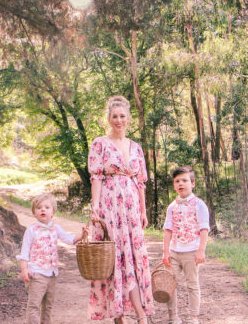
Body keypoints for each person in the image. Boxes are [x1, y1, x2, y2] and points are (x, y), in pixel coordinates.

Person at [88, 95, 154, 324]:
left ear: (128, 119)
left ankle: (136, 313)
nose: (119, 120)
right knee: (115, 259)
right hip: (110, 206)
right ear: (108, 118)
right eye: (114, 116)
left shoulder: (136, 147)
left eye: (122, 116)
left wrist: (144, 211)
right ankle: (126, 316)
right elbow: (96, 177)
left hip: (132, 209)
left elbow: (141, 182)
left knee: (134, 259)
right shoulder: (100, 143)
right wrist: (95, 207)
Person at [17, 193, 85, 324]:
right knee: (34, 305)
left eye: (47, 207)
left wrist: (81, 235)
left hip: (52, 273)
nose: (43, 209)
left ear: (53, 212)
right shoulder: (31, 230)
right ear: (34, 213)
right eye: (39, 207)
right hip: (36, 273)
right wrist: (24, 269)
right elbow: (24, 251)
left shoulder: (56, 228)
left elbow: (69, 239)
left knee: (48, 305)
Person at [162, 166, 210, 324]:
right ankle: (173, 316)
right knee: (170, 284)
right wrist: (165, 252)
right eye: (177, 181)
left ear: (193, 183)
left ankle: (193, 317)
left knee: (192, 284)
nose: (181, 183)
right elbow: (168, 230)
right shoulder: (172, 206)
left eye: (185, 180)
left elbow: (204, 229)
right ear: (174, 185)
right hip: (174, 252)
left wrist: (201, 251)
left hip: (191, 252)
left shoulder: (199, 205)